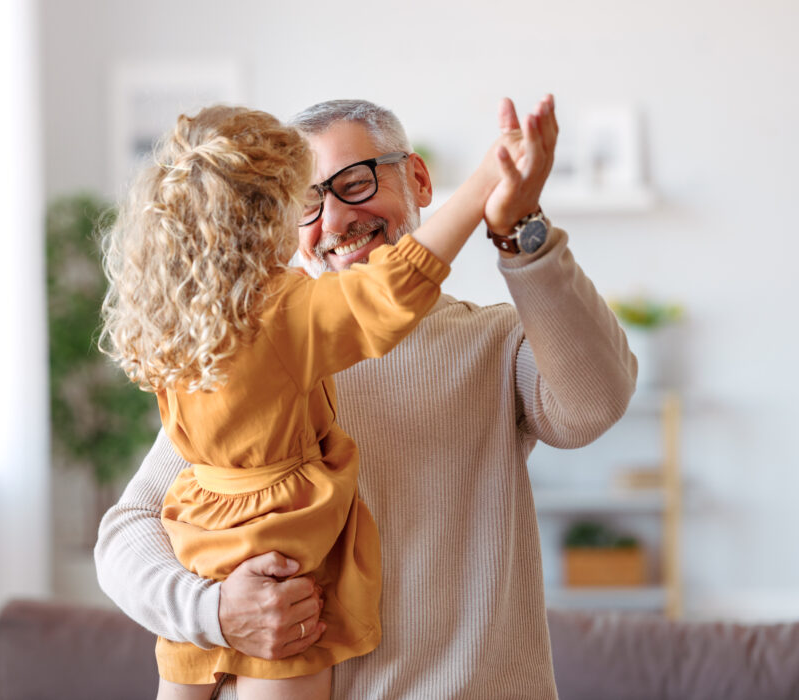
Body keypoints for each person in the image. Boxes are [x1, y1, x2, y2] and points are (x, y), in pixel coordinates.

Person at [96, 96, 636, 699]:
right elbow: (126, 532)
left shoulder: (495, 339)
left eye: (355, 183)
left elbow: (595, 404)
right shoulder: (251, 359)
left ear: (419, 179)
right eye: (306, 201)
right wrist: (213, 611)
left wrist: (519, 229)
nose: (333, 221)